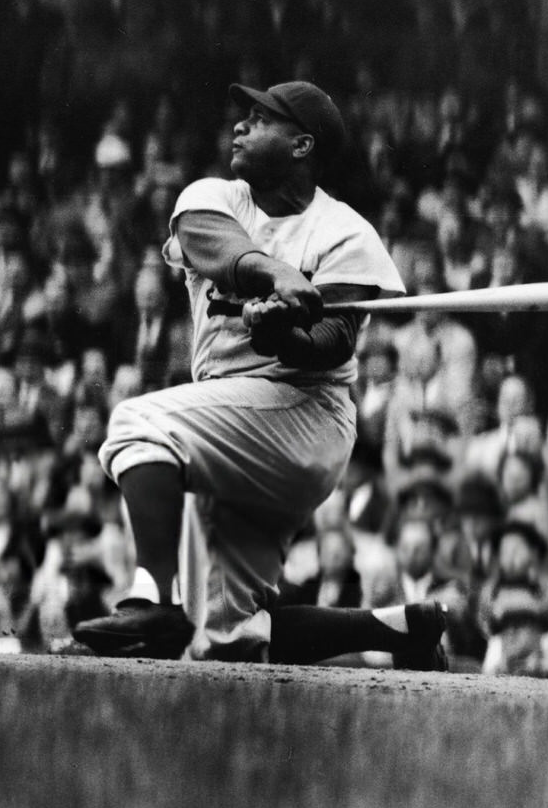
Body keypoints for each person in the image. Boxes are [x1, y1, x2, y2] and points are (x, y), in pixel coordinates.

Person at [72, 81, 446, 667]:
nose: (239, 128)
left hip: (303, 413)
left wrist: (285, 336)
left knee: (136, 423)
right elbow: (206, 241)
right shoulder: (216, 197)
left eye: (258, 119)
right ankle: (400, 630)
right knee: (224, 637)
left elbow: (332, 344)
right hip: (228, 420)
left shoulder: (346, 232)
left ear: (301, 145)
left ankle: (150, 595)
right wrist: (272, 275)